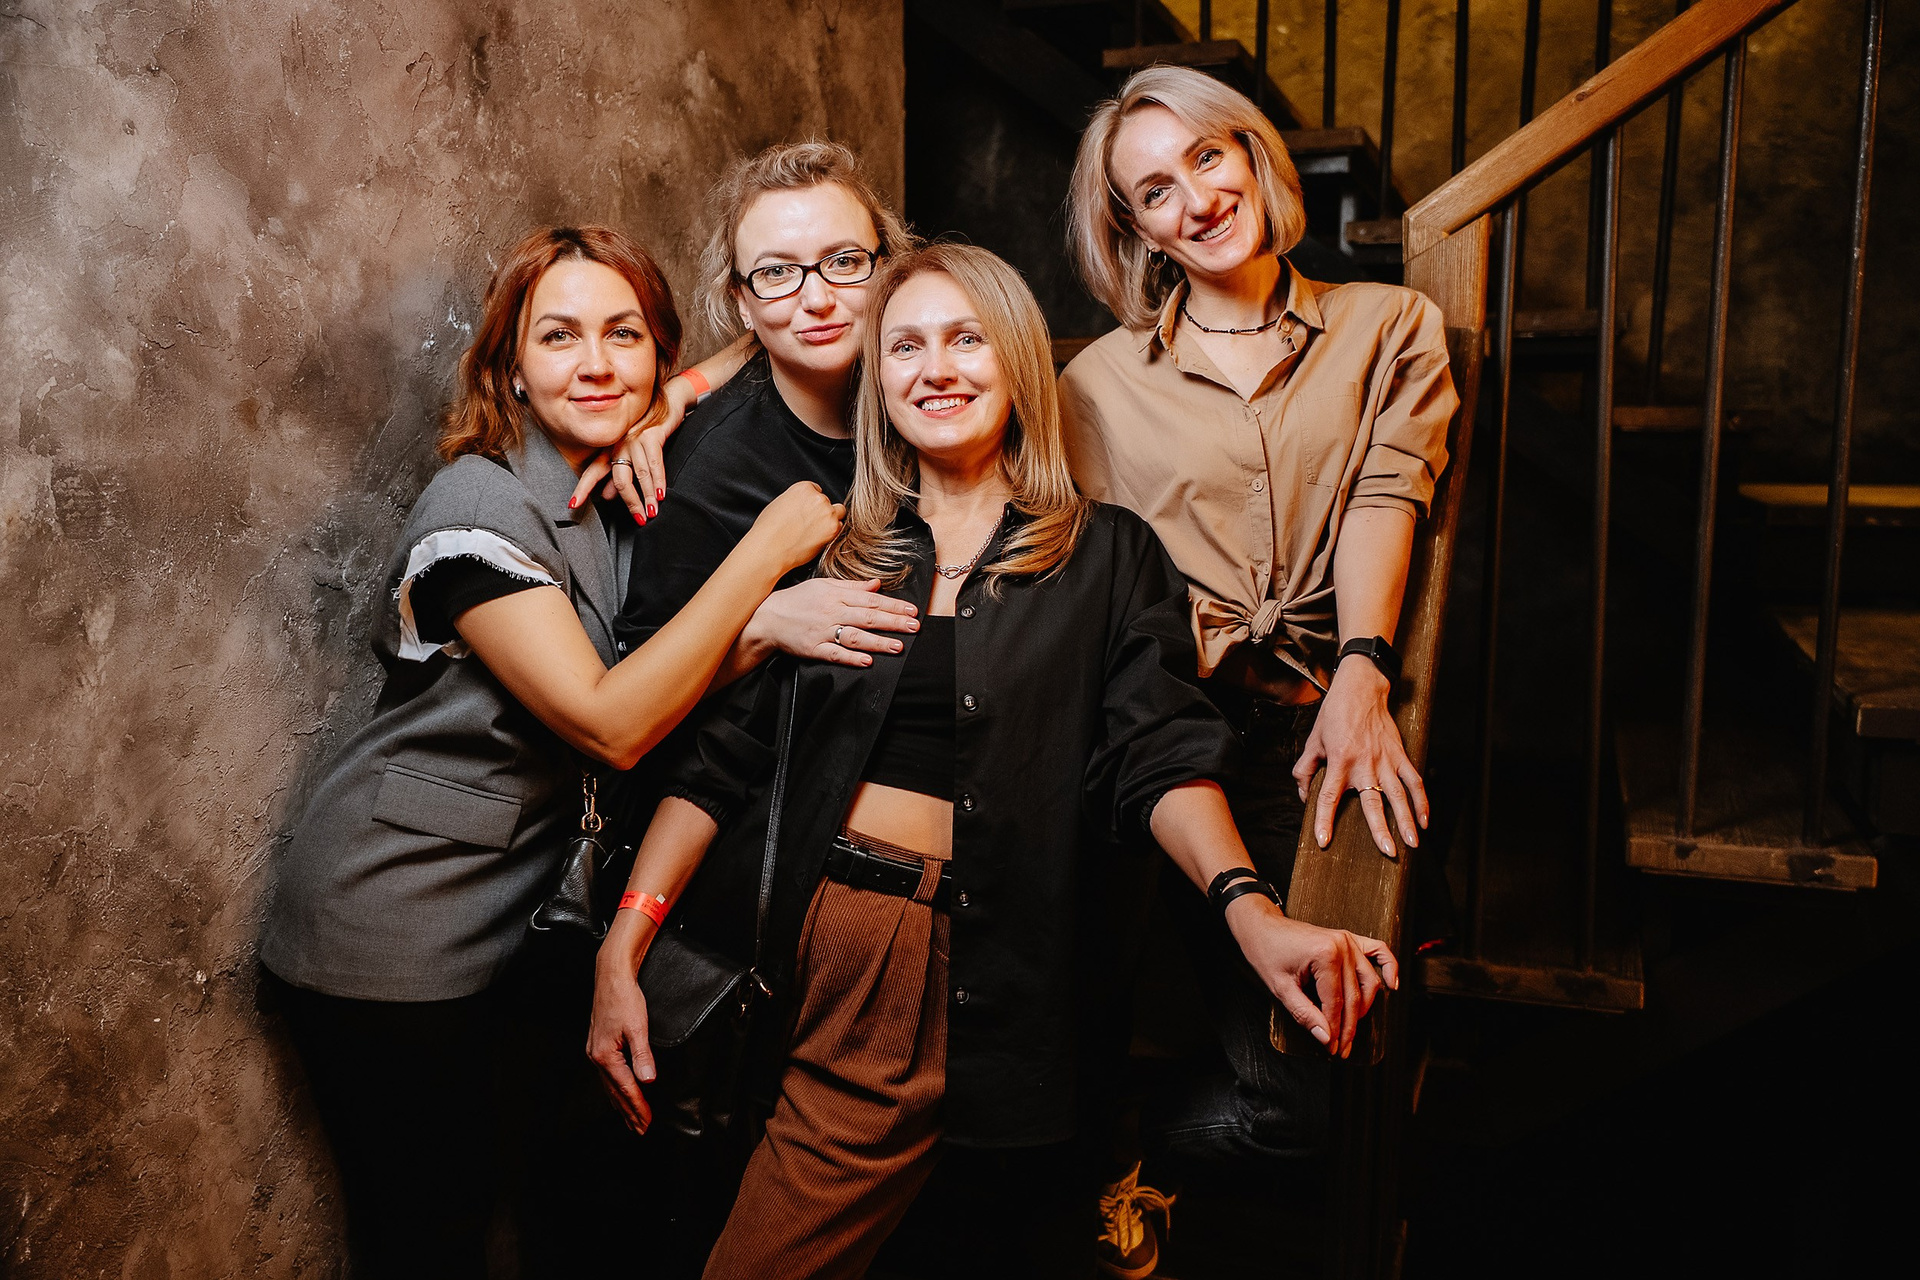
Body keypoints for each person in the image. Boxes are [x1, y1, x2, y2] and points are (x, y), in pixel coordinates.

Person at [586, 243, 1398, 1280]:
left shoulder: (1108, 555)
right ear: (880, 382)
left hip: (1017, 973)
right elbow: (721, 766)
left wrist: (1253, 913)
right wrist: (621, 948)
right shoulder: (837, 554)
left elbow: (1157, 754)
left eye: (966, 339)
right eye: (906, 346)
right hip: (827, 961)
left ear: (1015, 361)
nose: (937, 368)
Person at [258, 225, 841, 1280]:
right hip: (392, 919)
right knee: (426, 1239)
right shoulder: (478, 505)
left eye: (626, 334)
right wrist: (763, 570)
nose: (597, 363)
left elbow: (756, 341)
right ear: (510, 370)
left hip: (510, 916)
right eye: (560, 336)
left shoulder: (607, 481)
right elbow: (611, 719)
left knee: (522, 1212)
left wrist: (687, 389)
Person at [1058, 64, 1458, 1268]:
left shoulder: (1390, 326)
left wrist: (1363, 668)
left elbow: (1388, 493)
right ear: (1136, 228)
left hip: (1319, 724)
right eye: (1154, 191)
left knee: (1320, 1091)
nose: (1195, 198)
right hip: (1164, 736)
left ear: (1251, 154)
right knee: (1074, 1002)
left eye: (1207, 158)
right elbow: (1098, 588)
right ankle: (1078, 1159)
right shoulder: (1096, 386)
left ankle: (1123, 1149)